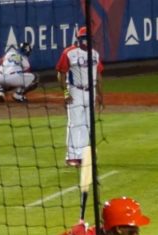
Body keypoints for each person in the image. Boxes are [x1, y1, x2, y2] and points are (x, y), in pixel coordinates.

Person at [56, 26, 103, 167]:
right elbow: (61, 73)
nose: (86, 41)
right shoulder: (69, 53)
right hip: (75, 91)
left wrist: (101, 95)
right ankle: (71, 156)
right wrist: (65, 93)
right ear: (79, 39)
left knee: (87, 124)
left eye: (88, 38)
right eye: (84, 38)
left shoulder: (95, 54)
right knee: (74, 124)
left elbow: (99, 74)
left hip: (91, 91)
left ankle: (82, 155)